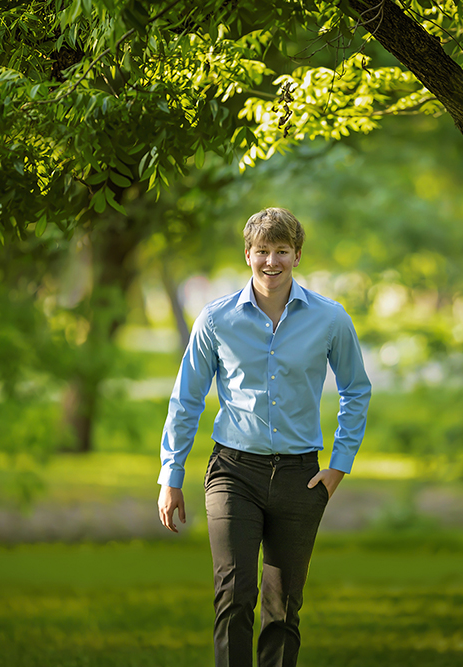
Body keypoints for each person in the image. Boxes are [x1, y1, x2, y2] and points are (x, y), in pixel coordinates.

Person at [157, 207, 372, 667]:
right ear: (248, 254)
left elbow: (356, 389)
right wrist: (170, 476)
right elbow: (186, 400)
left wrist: (338, 466)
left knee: (282, 608)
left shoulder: (331, 320)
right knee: (234, 597)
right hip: (233, 472)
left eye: (281, 251)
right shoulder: (216, 321)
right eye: (261, 251)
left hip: (300, 477)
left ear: (296, 255)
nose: (270, 261)